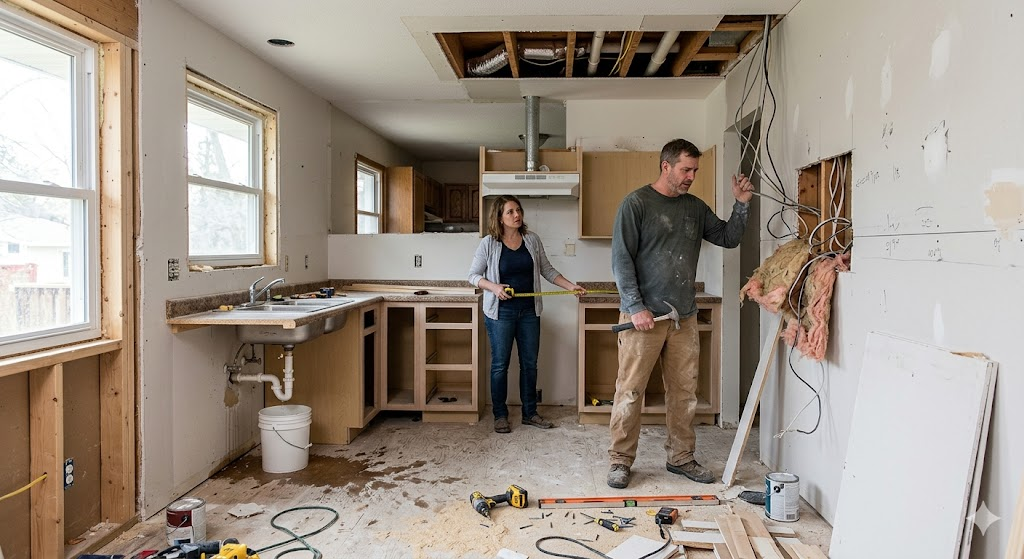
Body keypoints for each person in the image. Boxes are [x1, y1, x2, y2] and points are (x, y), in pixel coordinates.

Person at [607, 138, 753, 488]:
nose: (691, 176)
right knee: (630, 391)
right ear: (666, 166)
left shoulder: (694, 208)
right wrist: (636, 306)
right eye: (686, 169)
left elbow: (728, 237)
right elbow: (621, 259)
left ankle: (681, 457)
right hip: (643, 318)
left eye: (695, 171)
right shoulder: (636, 203)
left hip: (683, 316)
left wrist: (742, 205)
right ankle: (620, 460)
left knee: (684, 392)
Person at [469, 195, 585, 434]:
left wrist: (570, 285)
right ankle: (500, 415)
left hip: (529, 312)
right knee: (500, 365)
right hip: (500, 313)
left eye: (518, 210)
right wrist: (494, 287)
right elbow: (472, 276)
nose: (517, 215)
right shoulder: (489, 243)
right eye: (510, 212)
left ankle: (530, 413)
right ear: (499, 217)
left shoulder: (531, 240)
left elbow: (547, 270)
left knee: (530, 365)